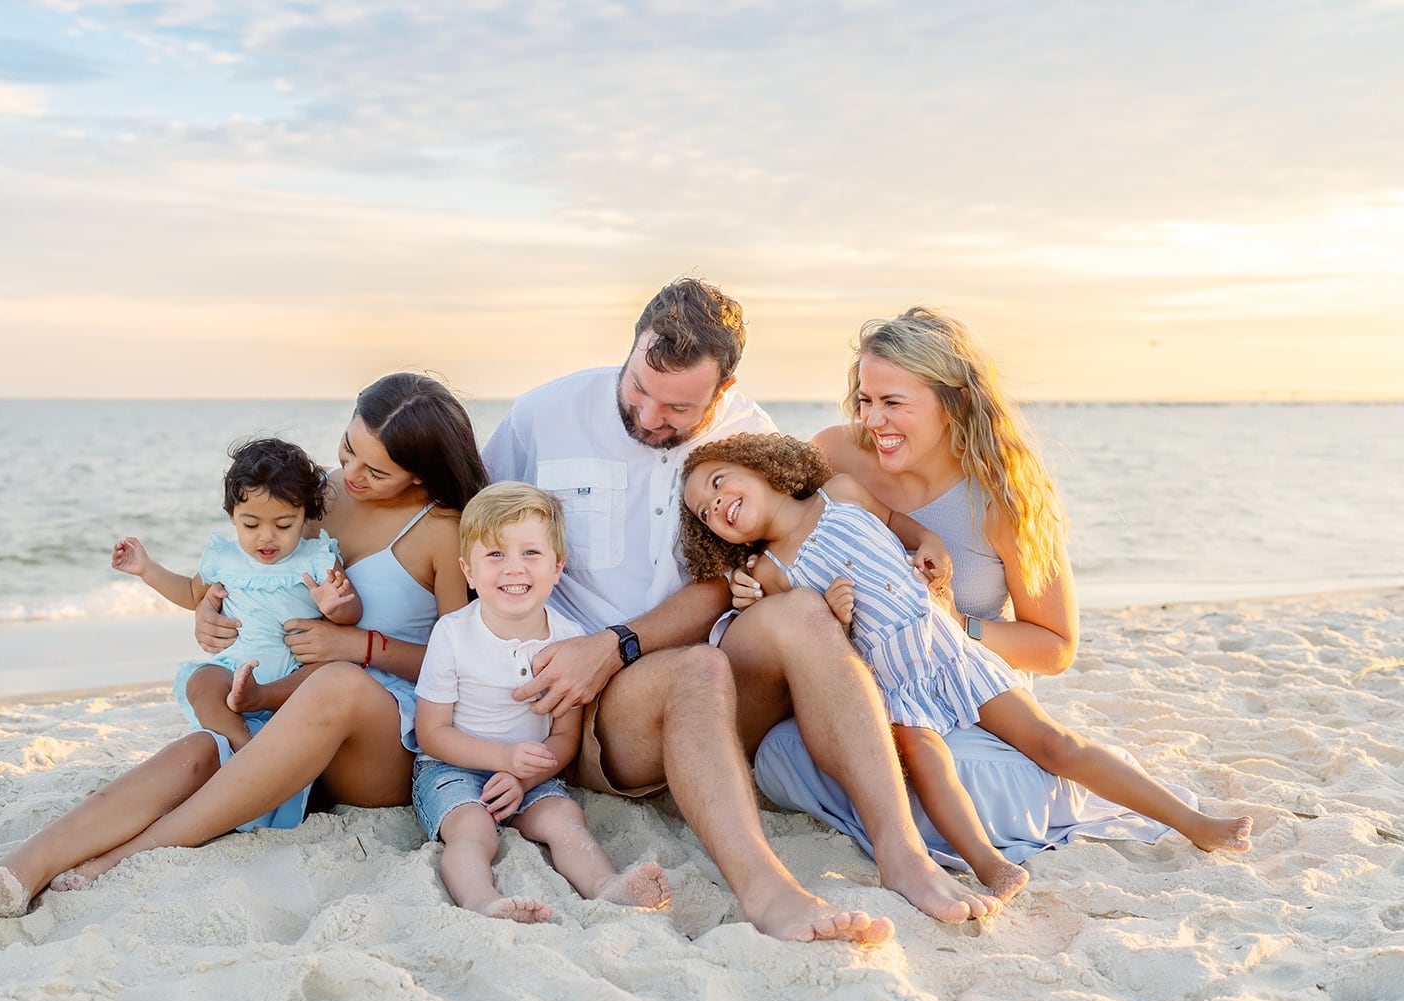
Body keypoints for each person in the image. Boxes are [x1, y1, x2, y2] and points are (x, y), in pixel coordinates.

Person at [482, 277, 999, 945]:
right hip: (593, 707)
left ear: (722, 391)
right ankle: (769, 891)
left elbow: (738, 573)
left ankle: (903, 854)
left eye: (677, 406)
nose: (648, 414)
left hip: (702, 674)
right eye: (640, 387)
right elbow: (472, 530)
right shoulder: (543, 415)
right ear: (633, 347)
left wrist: (619, 640)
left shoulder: (748, 434)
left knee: (801, 614)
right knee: (696, 668)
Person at [0, 373, 486, 918]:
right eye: (348, 449)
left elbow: (465, 663)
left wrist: (358, 645)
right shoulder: (315, 493)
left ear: (419, 472)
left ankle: (126, 855)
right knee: (195, 752)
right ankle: (24, 867)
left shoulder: (444, 528)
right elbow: (256, 580)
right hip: (279, 714)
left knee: (338, 682)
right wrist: (211, 614)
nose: (348, 474)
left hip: (376, 746)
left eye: (374, 470)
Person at [752, 307, 1233, 866]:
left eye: (894, 403)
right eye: (866, 399)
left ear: (952, 401)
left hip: (970, 695)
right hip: (876, 687)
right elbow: (781, 543)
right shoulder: (834, 455)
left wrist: (958, 625)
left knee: (960, 775)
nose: (874, 420)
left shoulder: (1007, 497)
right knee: (780, 753)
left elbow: (1055, 646)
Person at [683, 433, 1252, 900]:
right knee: (929, 764)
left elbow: (903, 527)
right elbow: (807, 650)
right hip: (887, 678)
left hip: (948, 648)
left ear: (758, 465)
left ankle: (1193, 824)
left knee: (1055, 744)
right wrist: (821, 611)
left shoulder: (842, 491)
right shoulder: (769, 572)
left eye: (717, 482)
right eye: (705, 513)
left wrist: (934, 548)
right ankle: (987, 866)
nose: (716, 506)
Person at [413, 481, 671, 922]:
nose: (514, 568)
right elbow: (430, 733)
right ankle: (481, 899)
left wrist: (522, 777)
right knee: (473, 831)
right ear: (468, 572)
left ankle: (605, 886)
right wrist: (504, 757)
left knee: (565, 818)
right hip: (450, 767)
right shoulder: (453, 634)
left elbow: (564, 737)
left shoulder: (569, 642)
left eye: (530, 554)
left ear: (557, 567)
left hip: (532, 770)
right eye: (495, 555)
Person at [108, 437, 361, 831]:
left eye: (283, 525)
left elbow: (351, 615)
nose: (266, 537)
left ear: (305, 516)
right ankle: (246, 750)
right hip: (233, 677)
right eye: (250, 524)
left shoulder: (317, 557)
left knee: (326, 674)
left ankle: (253, 762)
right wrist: (147, 569)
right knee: (201, 679)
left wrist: (336, 606)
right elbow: (192, 594)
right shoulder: (223, 559)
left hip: (295, 682)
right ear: (232, 515)